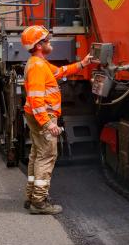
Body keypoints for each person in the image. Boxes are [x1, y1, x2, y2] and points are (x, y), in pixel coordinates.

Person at [21, 25, 91, 215]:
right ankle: (39, 202)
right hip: (43, 115)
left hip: (38, 115)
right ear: (38, 45)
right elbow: (36, 99)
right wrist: (48, 123)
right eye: (47, 40)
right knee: (46, 156)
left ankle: (31, 196)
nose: (50, 42)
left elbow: (59, 72)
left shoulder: (40, 63)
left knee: (37, 154)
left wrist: (82, 64)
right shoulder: (37, 67)